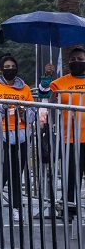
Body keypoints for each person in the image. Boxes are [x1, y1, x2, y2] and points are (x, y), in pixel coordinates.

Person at [0, 54, 35, 222]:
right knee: (5, 171)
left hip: (22, 134)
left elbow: (32, 114)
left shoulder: (24, 88)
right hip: (2, 133)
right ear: (0, 69)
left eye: (13, 67)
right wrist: (2, 108)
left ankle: (16, 208)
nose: (10, 70)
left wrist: (23, 111)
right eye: (7, 67)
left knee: (18, 172)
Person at [47, 48, 84, 222]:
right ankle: (69, 209)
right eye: (73, 59)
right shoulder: (60, 82)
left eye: (81, 58)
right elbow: (44, 95)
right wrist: (47, 76)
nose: (77, 61)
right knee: (71, 176)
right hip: (70, 138)